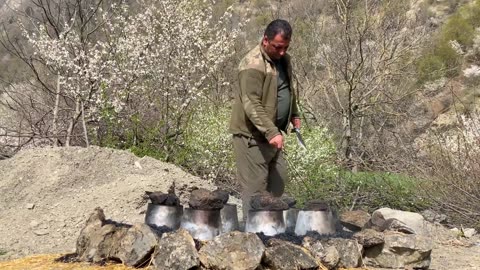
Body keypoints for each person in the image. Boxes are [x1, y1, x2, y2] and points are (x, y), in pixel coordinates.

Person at [229, 19, 301, 219]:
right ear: (266, 40)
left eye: (286, 47)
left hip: (274, 137)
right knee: (256, 196)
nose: (282, 52)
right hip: (252, 138)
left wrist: (294, 114)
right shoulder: (252, 64)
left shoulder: (284, 60)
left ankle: (274, 239)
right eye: (278, 47)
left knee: (277, 191)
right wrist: (271, 132)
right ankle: (252, 241)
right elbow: (251, 103)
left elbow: (287, 90)